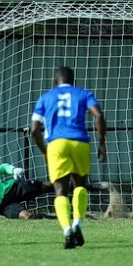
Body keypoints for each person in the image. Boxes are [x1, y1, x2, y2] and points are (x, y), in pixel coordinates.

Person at [30, 66, 107, 249]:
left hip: (57, 144)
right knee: (80, 185)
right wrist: (102, 142)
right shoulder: (83, 93)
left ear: (55, 81)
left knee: (60, 190)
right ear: (73, 80)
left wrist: (44, 151)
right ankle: (77, 224)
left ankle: (66, 230)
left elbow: (34, 129)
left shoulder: (46, 97)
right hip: (80, 142)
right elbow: (98, 115)